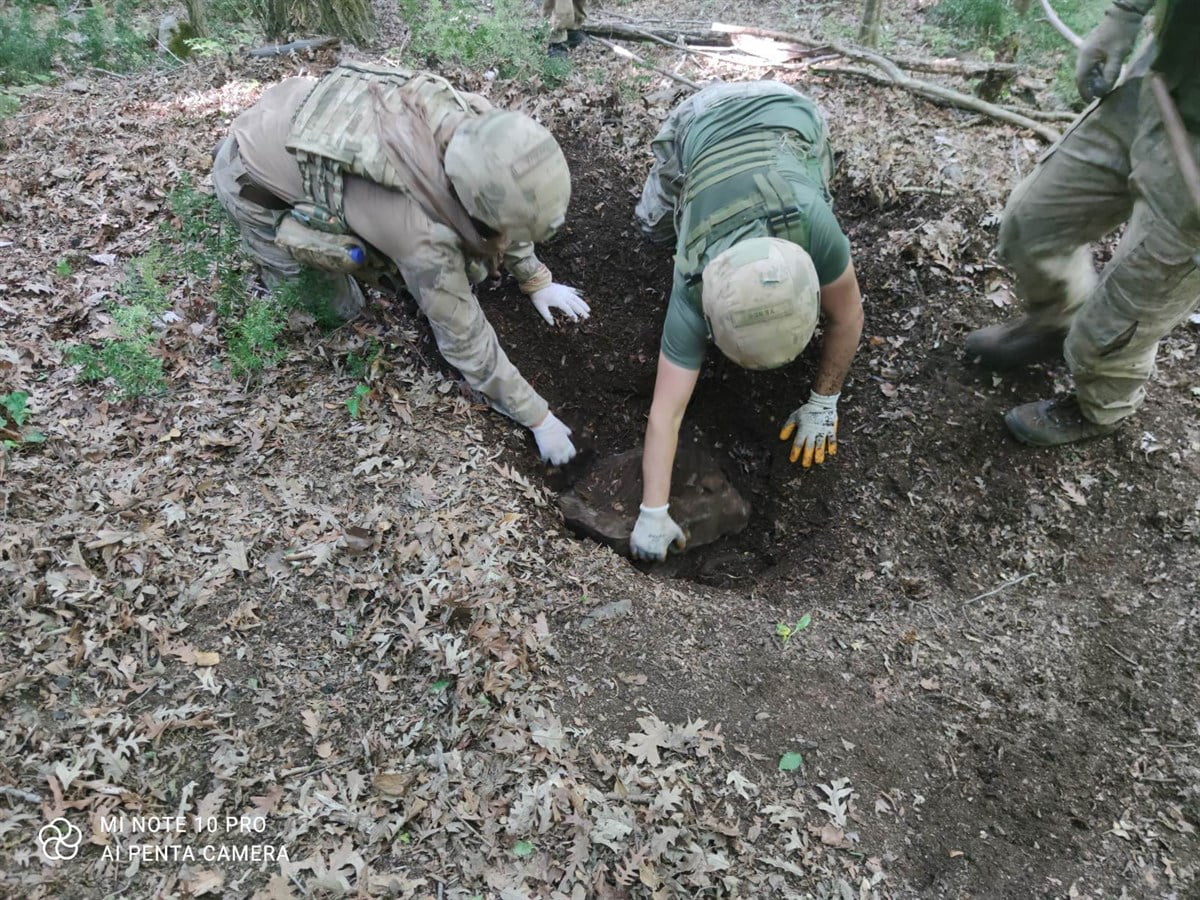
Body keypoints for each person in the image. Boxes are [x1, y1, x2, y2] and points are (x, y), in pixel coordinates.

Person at [211, 62, 589, 465]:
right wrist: (538, 419)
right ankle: (282, 275)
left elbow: (503, 211)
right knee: (340, 310)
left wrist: (536, 279)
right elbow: (465, 341)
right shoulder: (419, 231)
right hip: (253, 177)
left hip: (296, 108)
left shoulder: (483, 127)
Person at [628, 81, 864, 561]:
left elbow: (849, 314)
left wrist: (824, 402)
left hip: (789, 115)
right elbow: (664, 414)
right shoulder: (693, 277)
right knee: (650, 228)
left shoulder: (816, 226)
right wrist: (652, 510)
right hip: (700, 120)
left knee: (810, 174)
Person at [965, 0, 1200, 446]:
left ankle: (1102, 408)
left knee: (1122, 317)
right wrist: (1125, 15)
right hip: (1164, 76)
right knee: (1031, 226)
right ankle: (1057, 322)